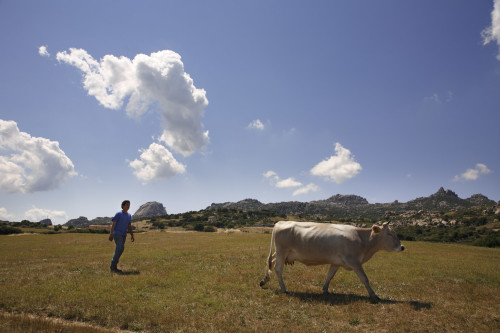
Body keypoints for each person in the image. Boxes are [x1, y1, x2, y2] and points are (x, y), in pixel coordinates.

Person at [109, 200, 134, 273]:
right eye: (126, 205)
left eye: (129, 205)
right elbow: (113, 224)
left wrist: (132, 234)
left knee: (120, 249)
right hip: (117, 233)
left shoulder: (129, 215)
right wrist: (111, 234)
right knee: (120, 247)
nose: (128, 206)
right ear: (123, 206)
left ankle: (114, 265)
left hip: (124, 234)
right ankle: (113, 266)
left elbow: (129, 226)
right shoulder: (119, 214)